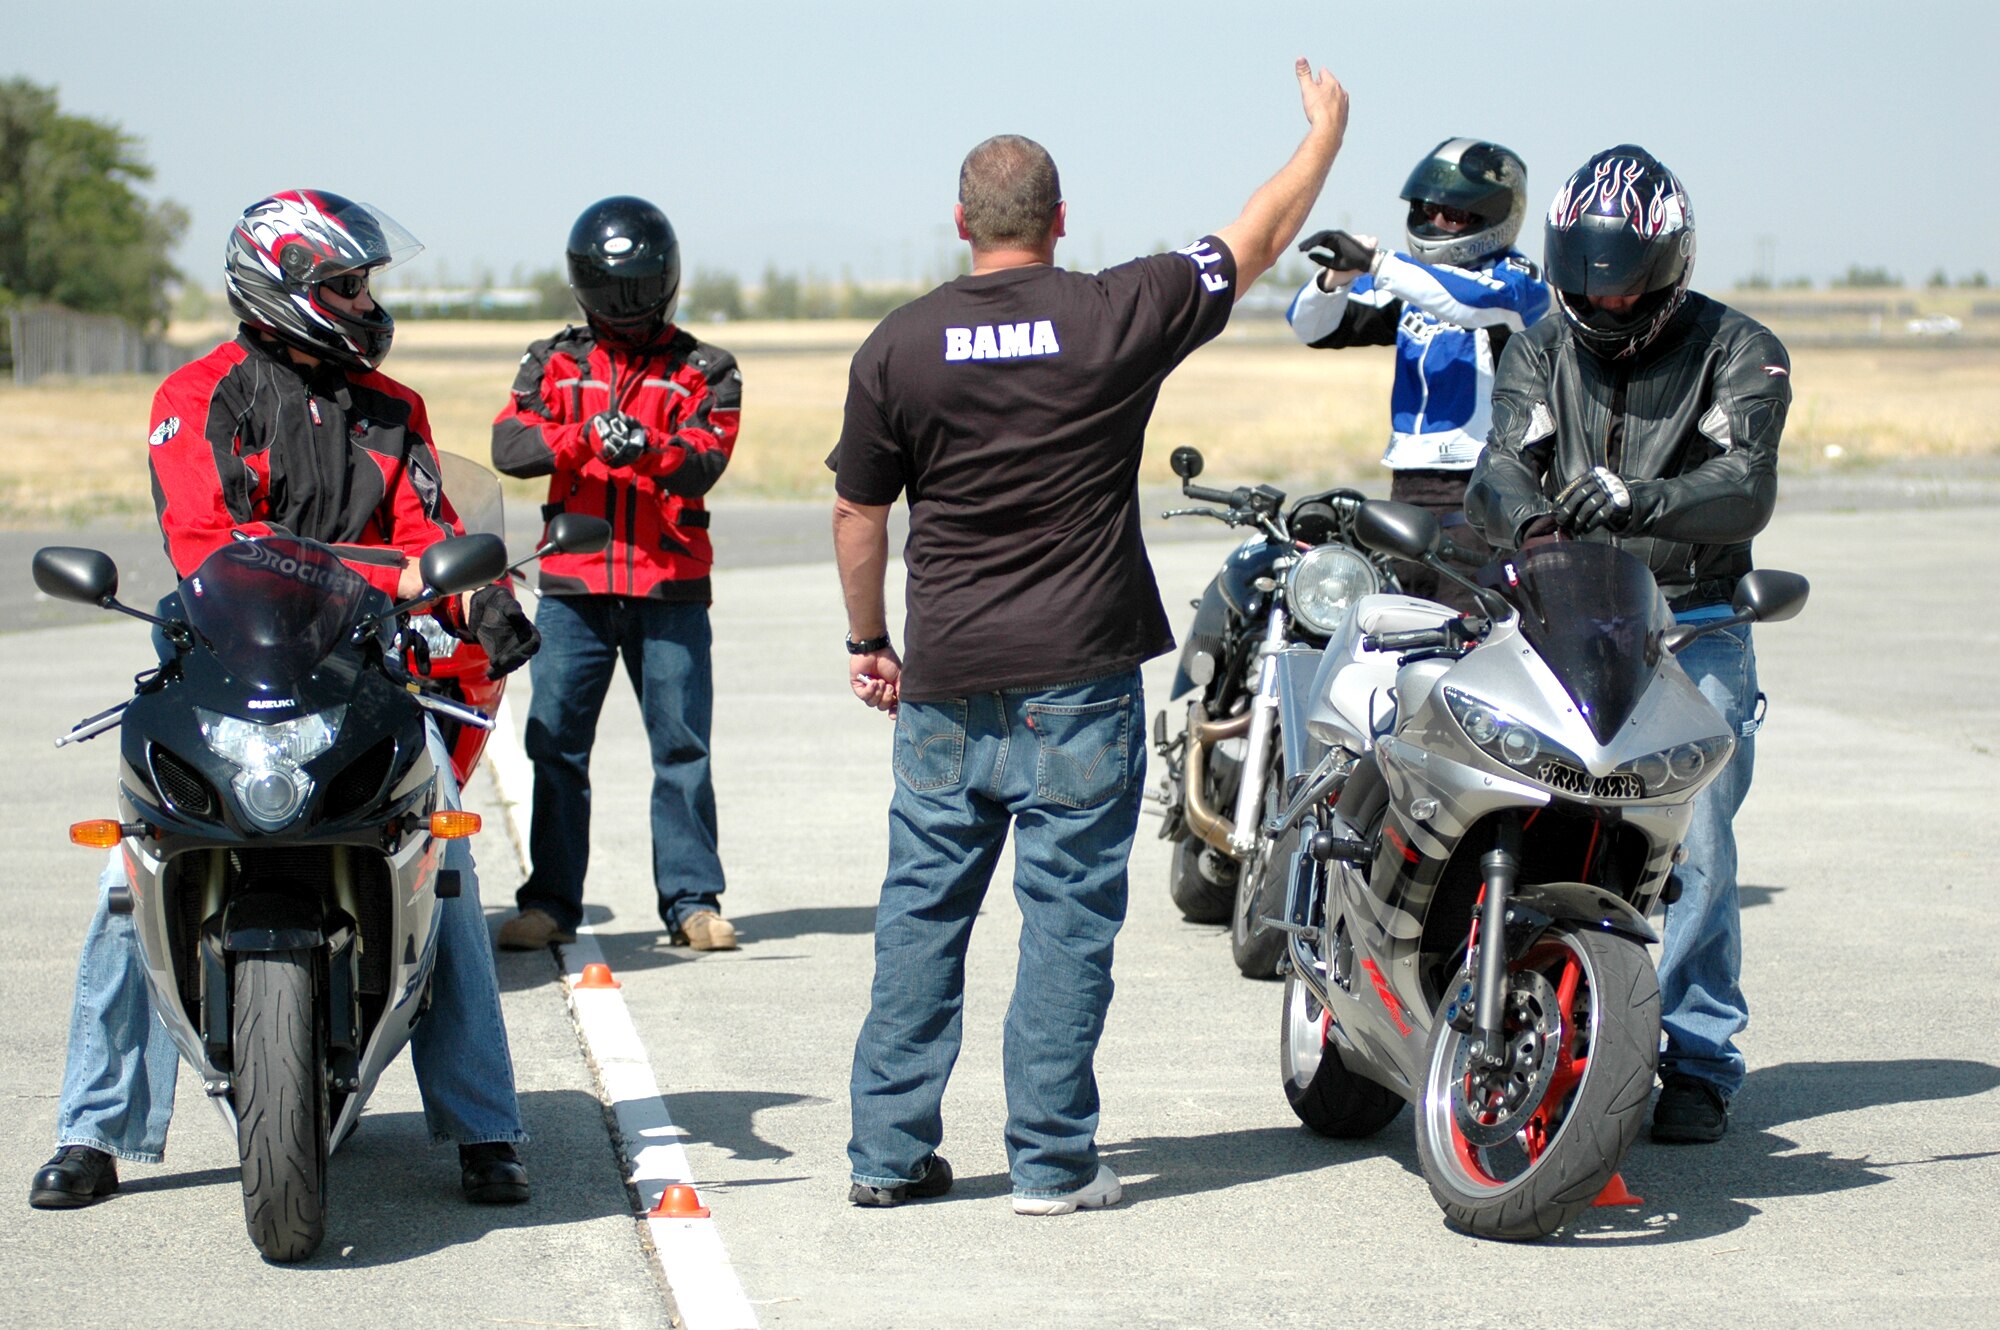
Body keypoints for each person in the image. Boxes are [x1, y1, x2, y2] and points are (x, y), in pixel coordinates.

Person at [830, 58, 1351, 1215]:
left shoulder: (898, 345)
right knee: (1064, 925)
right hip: (1077, 680)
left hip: (946, 683)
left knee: (921, 917)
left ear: (960, 225)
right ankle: (1051, 1165)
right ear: (1060, 223)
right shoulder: (1113, 309)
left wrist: (869, 638)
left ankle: (884, 1154)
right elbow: (1253, 241)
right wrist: (1322, 137)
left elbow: (858, 513)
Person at [29, 190, 542, 1211]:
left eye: (364, 284)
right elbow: (210, 545)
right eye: (344, 283)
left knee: (442, 865)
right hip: (225, 667)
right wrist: (392, 571)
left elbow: (425, 531)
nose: (362, 301)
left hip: (364, 675)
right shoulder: (199, 395)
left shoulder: (395, 410)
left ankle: (486, 1124)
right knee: (131, 878)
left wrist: (481, 593)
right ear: (285, 287)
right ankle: (94, 1128)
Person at [1464, 146, 1790, 1143]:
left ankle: (1693, 1053)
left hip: (1691, 622)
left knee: (1695, 839)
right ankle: (1509, 1006)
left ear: (1670, 265)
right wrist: (1526, 524)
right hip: (1564, 610)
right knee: (1508, 795)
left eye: (1625, 286)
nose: (1602, 306)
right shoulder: (1536, 349)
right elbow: (1498, 465)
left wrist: (1643, 498)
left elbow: (1747, 484)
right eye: (1584, 285)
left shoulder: (1740, 348)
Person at [490, 197, 742, 954]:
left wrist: (646, 449)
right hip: (574, 587)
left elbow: (706, 461)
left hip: (667, 586)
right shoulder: (553, 360)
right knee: (556, 746)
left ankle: (693, 902)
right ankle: (551, 903)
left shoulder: (706, 368)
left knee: (683, 749)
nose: (626, 305)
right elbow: (509, 444)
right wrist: (583, 438)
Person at [1287, 137, 1549, 610]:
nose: (1437, 223)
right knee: (1394, 635)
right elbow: (1308, 326)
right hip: (1406, 488)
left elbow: (1468, 301)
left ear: (1493, 216)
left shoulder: (1520, 283)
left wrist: (1379, 264)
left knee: (1466, 639)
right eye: (1428, 210)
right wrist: (1335, 281)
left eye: (1454, 214)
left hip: (1481, 488)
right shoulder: (1410, 282)